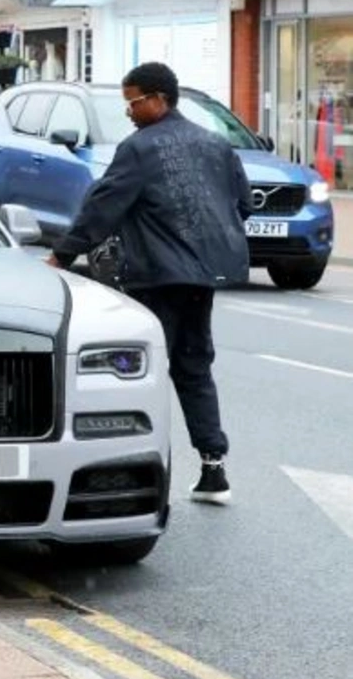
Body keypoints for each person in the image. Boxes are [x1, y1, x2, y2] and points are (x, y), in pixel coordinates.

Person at [47, 62, 252, 506]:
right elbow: (243, 203)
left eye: (133, 102)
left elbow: (103, 205)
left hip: (155, 278)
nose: (129, 112)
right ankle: (213, 468)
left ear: (159, 99)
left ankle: (136, 473)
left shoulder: (139, 148)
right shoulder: (216, 144)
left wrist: (63, 255)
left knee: (143, 372)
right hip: (202, 276)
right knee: (195, 366)